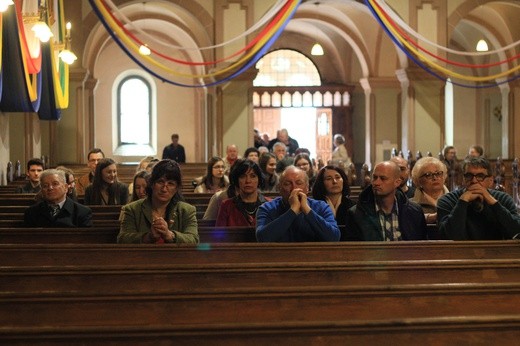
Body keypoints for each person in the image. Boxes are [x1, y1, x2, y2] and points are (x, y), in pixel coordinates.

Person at [437, 157, 520, 240]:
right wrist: (462, 202)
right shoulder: (447, 200)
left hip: (497, 251)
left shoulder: (503, 199)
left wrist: (493, 203)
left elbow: (516, 232)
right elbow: (448, 236)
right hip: (458, 252)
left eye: (480, 176)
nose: (474, 181)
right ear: (463, 179)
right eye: (469, 176)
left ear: (490, 181)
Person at [118, 159, 199, 244]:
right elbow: (122, 238)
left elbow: (194, 239)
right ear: (152, 183)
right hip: (142, 256)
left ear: (176, 188)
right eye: (160, 182)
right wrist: (148, 237)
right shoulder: (132, 209)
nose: (164, 189)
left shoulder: (187, 210)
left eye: (170, 184)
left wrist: (170, 235)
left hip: (175, 256)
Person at [345, 161, 427, 241]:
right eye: (374, 177)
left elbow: (422, 247)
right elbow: (353, 251)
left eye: (383, 178)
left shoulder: (414, 211)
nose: (376, 183)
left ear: (397, 182)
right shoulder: (356, 213)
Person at [256, 166, 340, 242]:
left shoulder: (321, 207)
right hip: (279, 257)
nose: (294, 188)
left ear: (307, 188)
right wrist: (293, 211)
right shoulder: (267, 208)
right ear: (280, 189)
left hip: (314, 257)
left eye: (299, 183)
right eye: (287, 184)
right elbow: (262, 238)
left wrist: (307, 210)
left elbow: (334, 237)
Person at [24, 169, 92, 227]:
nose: (50, 188)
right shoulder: (31, 212)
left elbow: (86, 239)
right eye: (45, 185)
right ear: (41, 190)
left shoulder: (82, 212)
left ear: (65, 187)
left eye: (55, 184)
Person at [216, 159, 268, 227]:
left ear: (259, 179)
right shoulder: (227, 206)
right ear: (237, 180)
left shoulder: (269, 204)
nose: (248, 181)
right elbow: (219, 236)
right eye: (243, 176)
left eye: (253, 176)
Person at [410, 157, 449, 225]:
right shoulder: (411, 205)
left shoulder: (455, 200)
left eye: (438, 173)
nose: (435, 178)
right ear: (418, 180)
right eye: (428, 175)